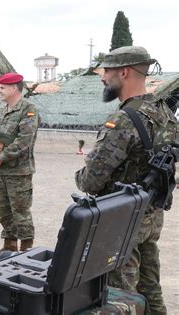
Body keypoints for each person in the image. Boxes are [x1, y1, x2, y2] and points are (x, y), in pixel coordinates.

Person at [75, 46, 177, 315]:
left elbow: (89, 182)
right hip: (151, 217)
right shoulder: (164, 112)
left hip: (123, 223)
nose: (102, 77)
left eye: (106, 71)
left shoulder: (124, 120)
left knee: (121, 297)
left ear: (124, 72)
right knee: (150, 288)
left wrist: (83, 170)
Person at [0, 72, 40, 259]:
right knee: (4, 211)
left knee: (20, 211)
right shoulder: (3, 110)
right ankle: (9, 247)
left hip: (19, 172)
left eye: (2, 87)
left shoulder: (29, 109)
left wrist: (1, 156)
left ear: (14, 88)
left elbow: (24, 141)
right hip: (1, 170)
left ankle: (26, 250)